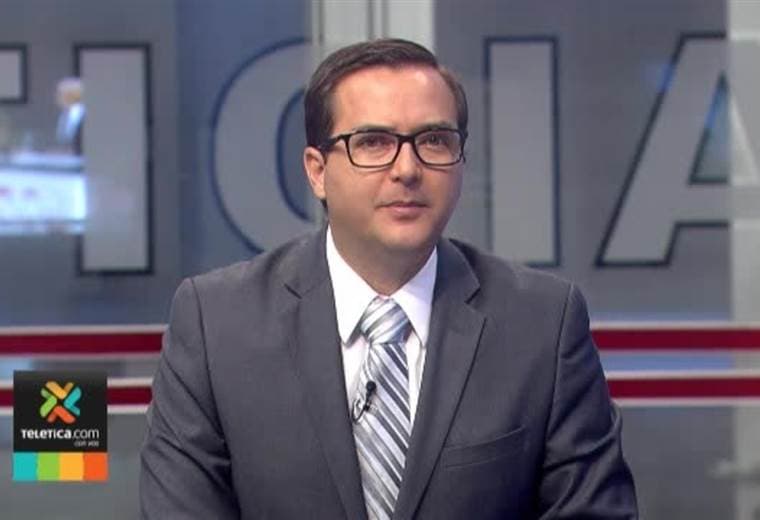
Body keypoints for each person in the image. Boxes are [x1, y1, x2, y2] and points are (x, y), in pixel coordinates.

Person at [140, 38, 638, 519]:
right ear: (317, 171)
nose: (407, 169)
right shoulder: (216, 323)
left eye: (434, 141)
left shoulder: (542, 324)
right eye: (373, 143)